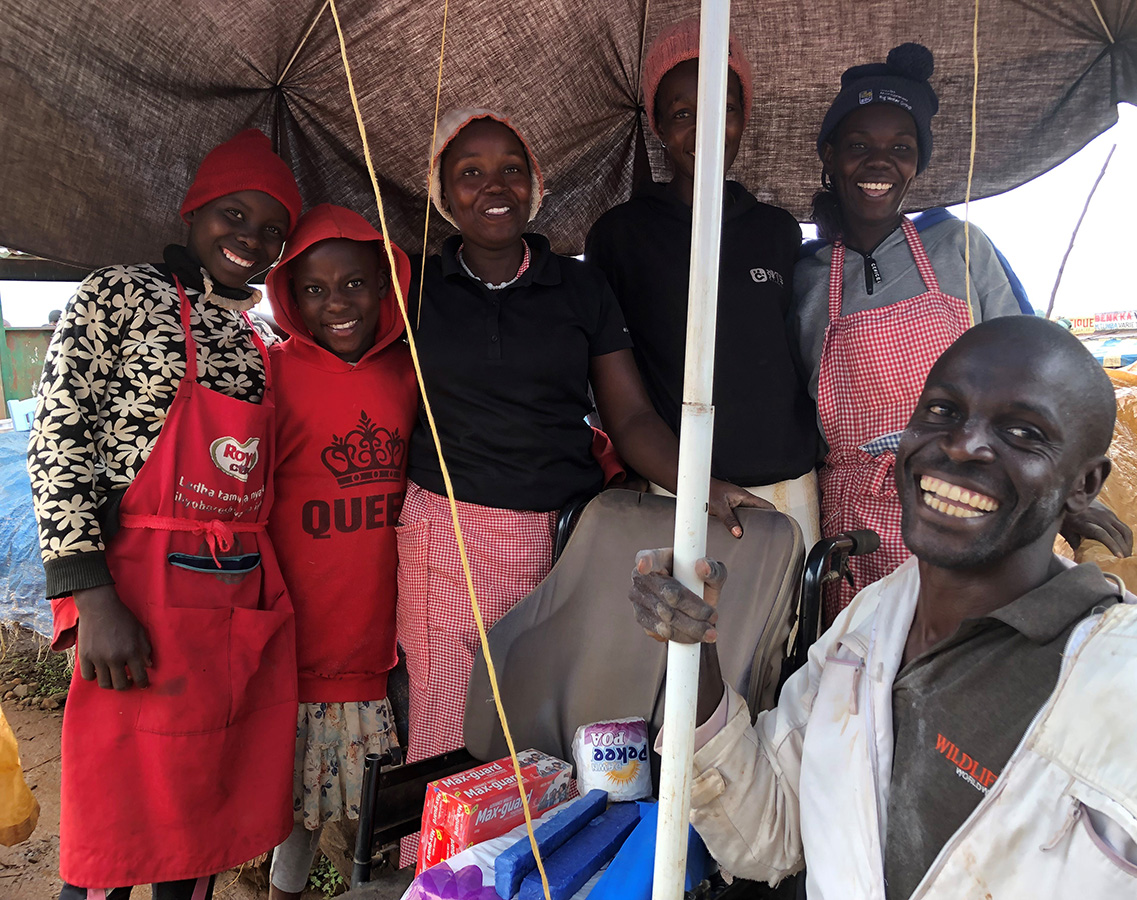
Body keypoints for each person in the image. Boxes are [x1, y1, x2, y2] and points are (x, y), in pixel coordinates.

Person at [630, 316, 1137, 900]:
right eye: (943, 411)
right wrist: (694, 651)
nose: (961, 444)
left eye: (1024, 432)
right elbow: (766, 837)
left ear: (1085, 485)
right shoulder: (869, 624)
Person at [399, 108, 769, 787]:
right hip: (449, 539)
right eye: (470, 174)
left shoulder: (577, 285)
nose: (493, 187)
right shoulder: (414, 286)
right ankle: (451, 884)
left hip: (570, 538)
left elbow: (629, 419)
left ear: (537, 185)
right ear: (443, 194)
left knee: (555, 722)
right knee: (456, 736)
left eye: (512, 169)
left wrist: (702, 488)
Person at [27, 129, 302, 900]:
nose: (251, 240)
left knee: (198, 825)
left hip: (229, 604)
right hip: (134, 595)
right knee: (115, 834)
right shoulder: (117, 292)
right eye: (234, 214)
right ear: (193, 209)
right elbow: (59, 436)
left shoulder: (257, 336)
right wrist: (90, 594)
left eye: (271, 231)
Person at [790, 43, 1131, 618]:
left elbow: (1044, 382)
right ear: (830, 155)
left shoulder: (960, 248)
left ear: (918, 162)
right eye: (859, 147)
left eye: (901, 148)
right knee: (865, 666)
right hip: (851, 521)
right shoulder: (804, 277)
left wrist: (1060, 497)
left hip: (967, 491)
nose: (880, 163)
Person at [586, 19, 820, 549]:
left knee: (791, 635)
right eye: (683, 114)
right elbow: (619, 396)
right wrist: (697, 487)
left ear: (743, 116)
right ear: (659, 126)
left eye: (725, 109)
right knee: (676, 631)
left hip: (791, 491)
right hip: (675, 496)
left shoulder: (777, 231)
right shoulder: (621, 237)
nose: (708, 128)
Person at [263, 204, 418, 899]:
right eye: (315, 290)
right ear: (290, 298)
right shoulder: (273, 376)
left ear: (386, 285)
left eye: (354, 283)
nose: (337, 304)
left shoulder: (409, 374)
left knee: (379, 813)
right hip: (301, 637)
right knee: (291, 805)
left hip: (384, 636)